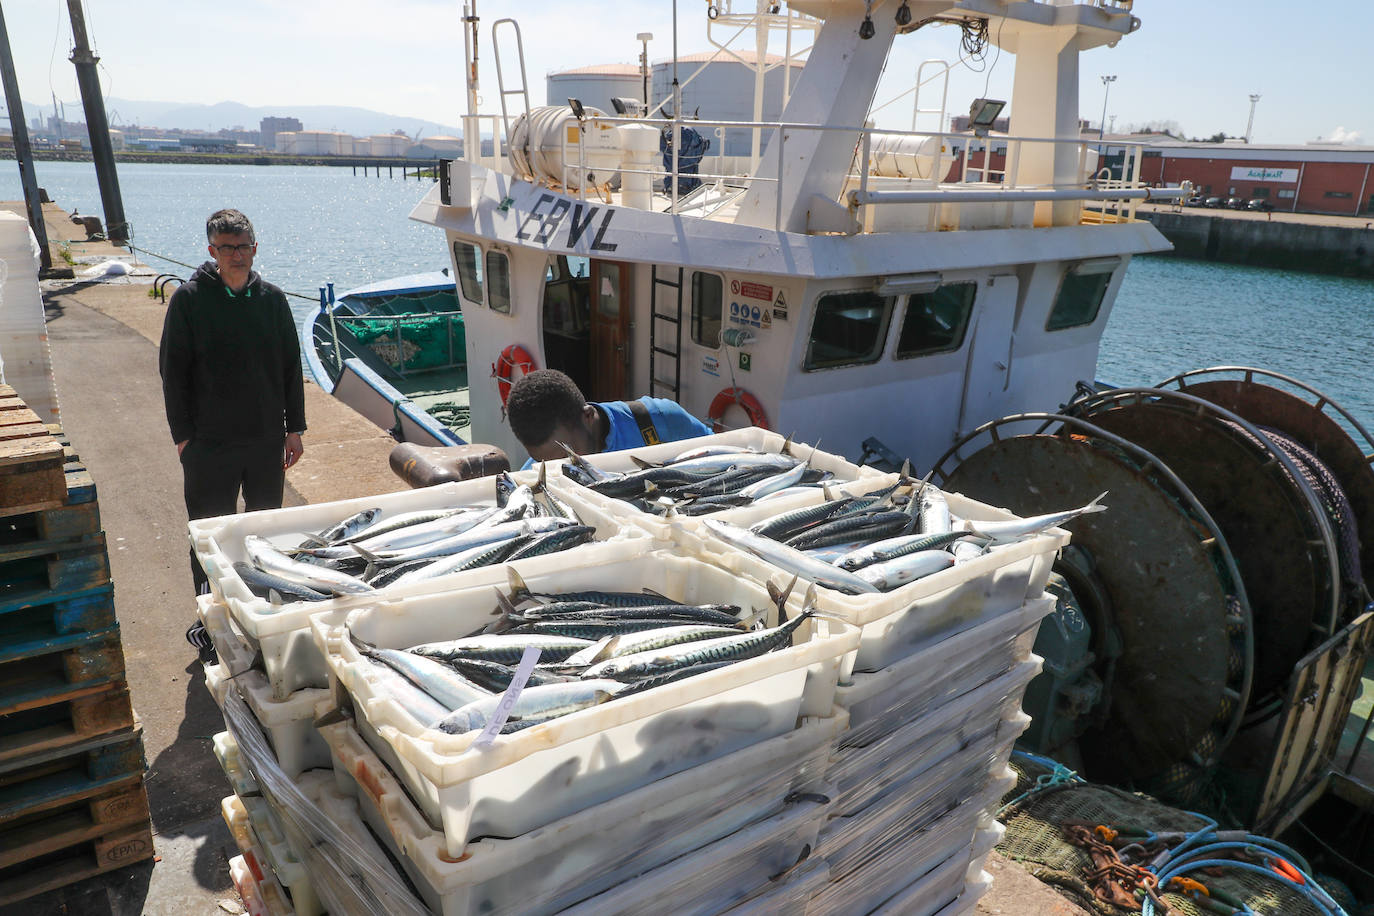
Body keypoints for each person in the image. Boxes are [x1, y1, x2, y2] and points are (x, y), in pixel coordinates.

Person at [159, 209, 305, 657]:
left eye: (243, 246)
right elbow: (172, 371)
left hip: (264, 440)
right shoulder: (189, 299)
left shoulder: (272, 299)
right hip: (209, 444)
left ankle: (259, 609)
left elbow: (290, 367)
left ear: (255, 248)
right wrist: (184, 436)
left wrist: (294, 428)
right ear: (212, 252)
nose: (236, 255)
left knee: (262, 532)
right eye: (227, 248)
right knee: (209, 536)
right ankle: (211, 617)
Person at [506, 369, 711, 463]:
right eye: (545, 463)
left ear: (587, 416)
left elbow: (721, 455)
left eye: (568, 454)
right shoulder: (535, 472)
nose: (564, 467)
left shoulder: (661, 420)